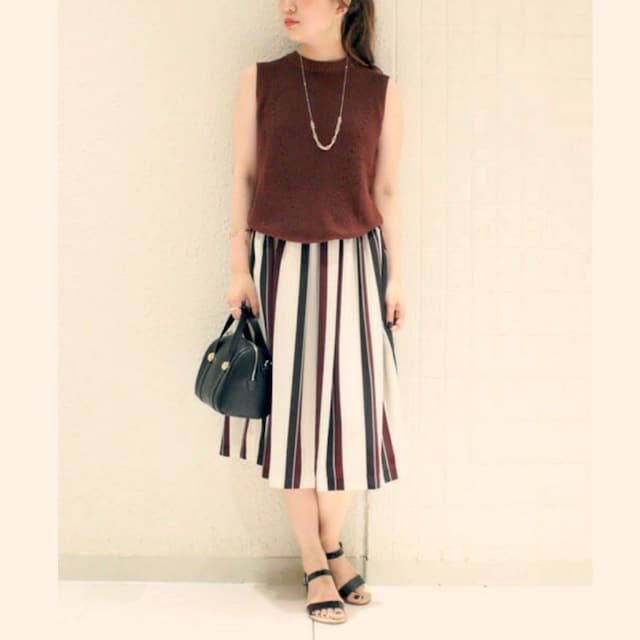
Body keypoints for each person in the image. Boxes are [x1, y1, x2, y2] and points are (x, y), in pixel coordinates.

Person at [219, 0, 405, 625]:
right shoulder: (261, 80)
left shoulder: (381, 92)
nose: (289, 6)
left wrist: (397, 277)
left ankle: (330, 543)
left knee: (352, 415)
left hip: (356, 265)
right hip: (279, 263)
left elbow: (385, 191)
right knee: (294, 416)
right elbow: (243, 177)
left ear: (344, 3)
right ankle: (313, 558)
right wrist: (238, 266)